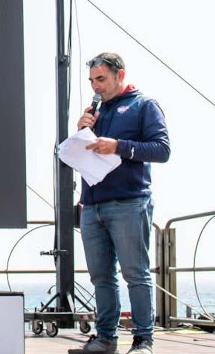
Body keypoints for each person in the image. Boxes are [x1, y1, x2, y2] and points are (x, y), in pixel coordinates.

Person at [69, 53, 170, 354]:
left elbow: (162, 149)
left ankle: (143, 341)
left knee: (135, 274)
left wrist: (120, 146)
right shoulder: (95, 112)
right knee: (101, 276)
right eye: (91, 80)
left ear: (119, 75)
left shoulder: (143, 106)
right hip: (93, 204)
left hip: (129, 202)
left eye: (101, 79)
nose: (95, 86)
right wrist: (81, 131)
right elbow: (85, 154)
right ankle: (105, 338)